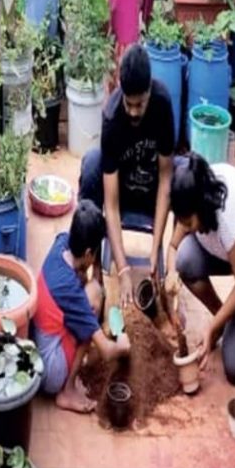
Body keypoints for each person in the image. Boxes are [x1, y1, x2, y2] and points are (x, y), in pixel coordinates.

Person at [166, 153, 235, 385]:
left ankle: (231, 322)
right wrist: (170, 272)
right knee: (184, 260)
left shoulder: (227, 218)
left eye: (188, 222)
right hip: (226, 251)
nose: (184, 227)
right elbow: (173, 247)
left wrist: (210, 327)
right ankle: (228, 318)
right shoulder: (192, 194)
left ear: (202, 206)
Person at [78, 44, 175, 305]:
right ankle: (96, 266)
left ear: (150, 92)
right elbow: (110, 203)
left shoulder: (163, 104)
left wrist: (156, 249)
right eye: (128, 103)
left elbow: (166, 177)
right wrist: (122, 271)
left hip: (152, 192)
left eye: (139, 104)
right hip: (122, 192)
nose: (133, 111)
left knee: (184, 172)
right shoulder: (112, 117)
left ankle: (174, 270)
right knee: (90, 164)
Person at [32, 199, 131, 413]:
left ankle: (69, 371)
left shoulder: (62, 243)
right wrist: (122, 340)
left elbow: (82, 273)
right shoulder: (72, 293)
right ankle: (66, 391)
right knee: (94, 294)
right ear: (88, 253)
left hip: (39, 348)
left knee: (89, 286)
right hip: (50, 370)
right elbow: (106, 350)